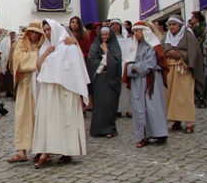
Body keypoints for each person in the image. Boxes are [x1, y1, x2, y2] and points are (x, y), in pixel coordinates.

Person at [32, 19, 89, 168]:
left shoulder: (68, 47)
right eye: (45, 30)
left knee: (65, 121)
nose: (47, 33)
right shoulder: (46, 47)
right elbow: (39, 68)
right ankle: (46, 151)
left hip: (65, 91)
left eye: (49, 29)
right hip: (48, 91)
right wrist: (45, 54)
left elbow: (74, 70)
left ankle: (67, 151)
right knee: (50, 121)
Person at [124, 21, 169, 147]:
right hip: (137, 81)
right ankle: (144, 136)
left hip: (151, 79)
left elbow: (149, 64)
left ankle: (159, 133)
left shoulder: (152, 46)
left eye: (138, 31)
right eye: (134, 31)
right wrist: (132, 68)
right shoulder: (135, 47)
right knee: (139, 108)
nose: (136, 33)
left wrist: (134, 68)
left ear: (144, 31)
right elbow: (128, 64)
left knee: (154, 106)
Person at [7, 21, 44, 163]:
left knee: (39, 116)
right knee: (22, 116)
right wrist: (38, 56)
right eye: (31, 32)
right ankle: (21, 150)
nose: (34, 35)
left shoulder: (44, 44)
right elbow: (19, 60)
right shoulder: (21, 43)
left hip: (40, 85)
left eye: (37, 32)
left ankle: (40, 148)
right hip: (26, 85)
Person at [162, 15, 205, 133]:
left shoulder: (188, 36)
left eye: (174, 24)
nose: (171, 27)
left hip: (184, 69)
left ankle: (189, 122)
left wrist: (181, 55)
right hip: (170, 70)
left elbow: (195, 52)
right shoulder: (165, 37)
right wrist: (167, 53)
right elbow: (160, 51)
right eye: (169, 25)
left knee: (185, 95)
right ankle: (176, 120)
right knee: (172, 96)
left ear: (180, 25)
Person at [87, 26, 122, 138]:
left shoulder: (115, 46)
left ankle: (109, 129)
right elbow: (91, 60)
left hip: (110, 79)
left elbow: (116, 61)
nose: (104, 37)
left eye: (107, 34)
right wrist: (105, 60)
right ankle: (97, 129)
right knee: (98, 105)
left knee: (109, 104)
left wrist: (106, 51)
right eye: (103, 34)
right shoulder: (95, 45)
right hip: (99, 78)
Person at [109, 19, 133, 118]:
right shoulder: (108, 39)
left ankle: (128, 109)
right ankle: (117, 109)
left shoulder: (127, 39)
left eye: (117, 24)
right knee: (115, 88)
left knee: (127, 89)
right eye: (113, 24)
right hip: (114, 65)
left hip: (125, 64)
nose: (115, 26)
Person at [0, 30, 17, 98]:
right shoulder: (5, 41)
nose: (12, 35)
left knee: (10, 78)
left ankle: (9, 91)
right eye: (11, 33)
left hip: (12, 61)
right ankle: (2, 90)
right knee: (4, 77)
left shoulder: (15, 42)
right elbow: (2, 51)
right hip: (5, 61)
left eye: (14, 33)